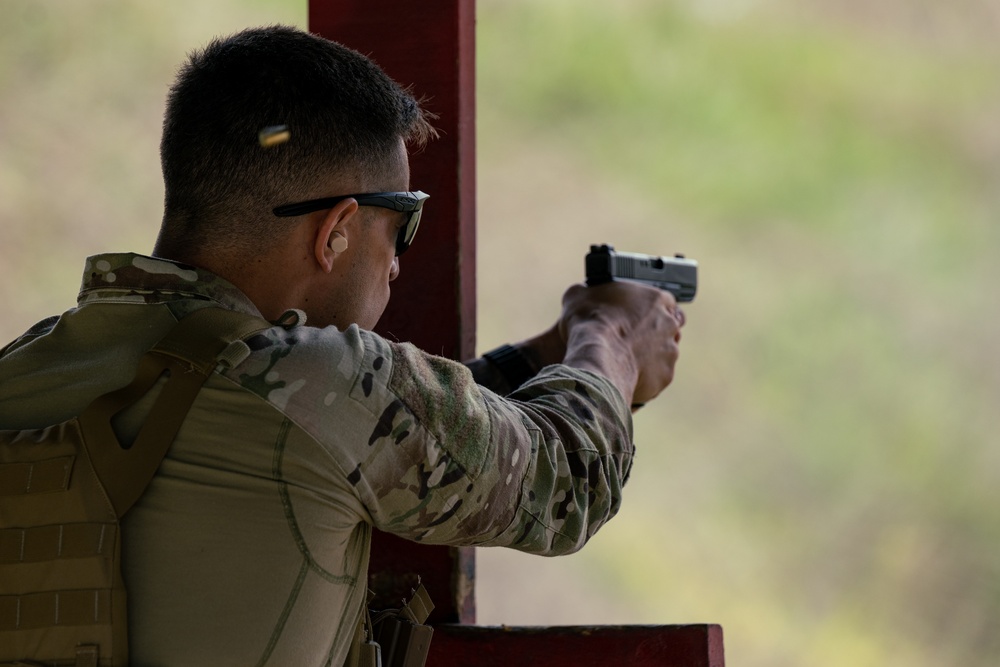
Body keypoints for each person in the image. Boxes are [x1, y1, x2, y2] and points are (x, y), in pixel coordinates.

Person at [0, 25, 684, 666]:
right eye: (402, 224)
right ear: (336, 232)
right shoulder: (326, 384)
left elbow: (354, 426)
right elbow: (565, 477)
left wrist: (540, 356)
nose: (396, 262)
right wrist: (612, 336)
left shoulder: (24, 371)